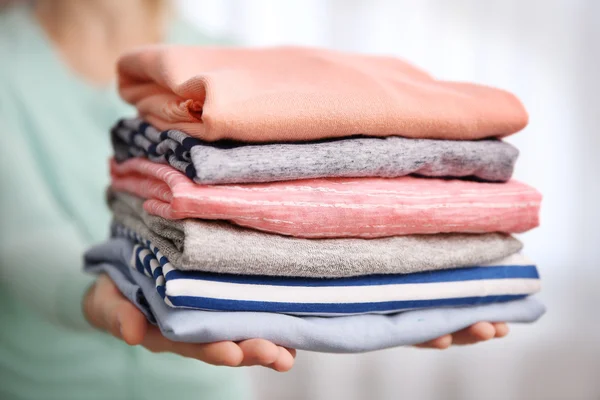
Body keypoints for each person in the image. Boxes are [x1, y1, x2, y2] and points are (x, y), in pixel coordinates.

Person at [0, 1, 511, 399]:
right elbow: (23, 237)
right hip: (43, 382)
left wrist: (399, 287)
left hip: (202, 390)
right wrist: (96, 297)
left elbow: (272, 217)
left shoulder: (228, 67)